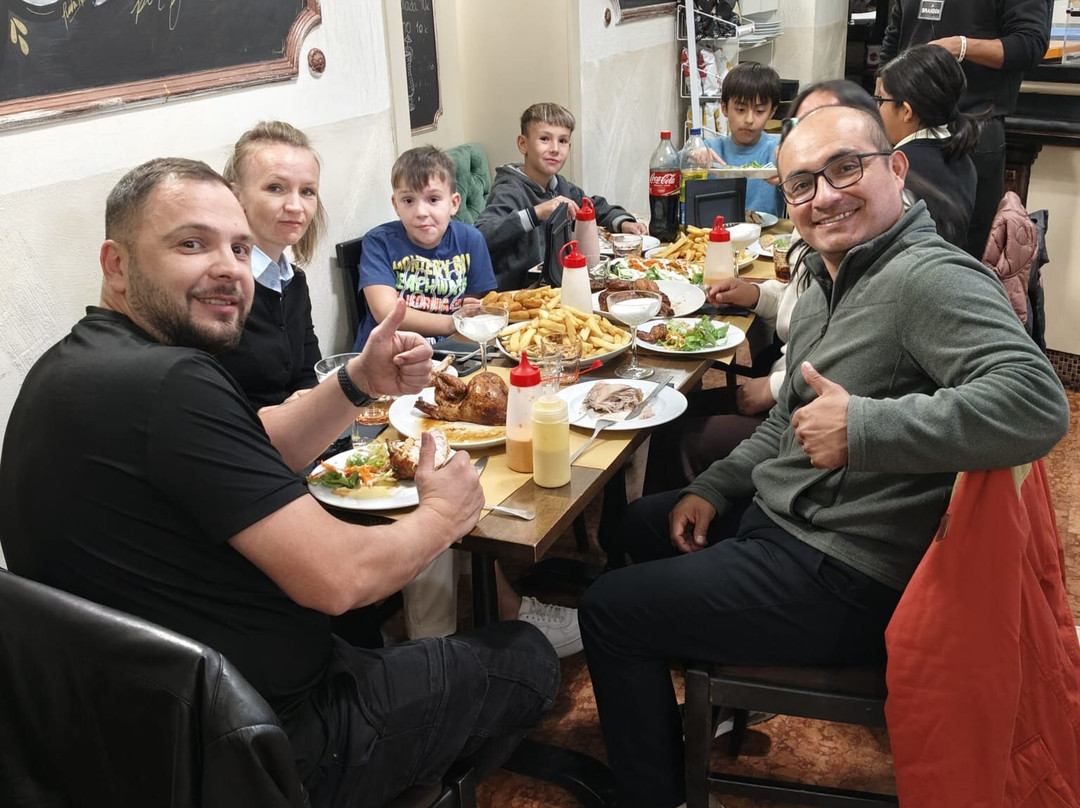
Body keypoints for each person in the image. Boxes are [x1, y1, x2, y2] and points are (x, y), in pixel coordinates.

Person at [0, 158, 560, 808]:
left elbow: (250, 443)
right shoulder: (172, 384)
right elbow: (340, 578)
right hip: (264, 748)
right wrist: (443, 516)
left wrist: (358, 382)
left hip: (130, 740)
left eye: (239, 248)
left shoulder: (73, 366)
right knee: (528, 657)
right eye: (192, 244)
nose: (229, 269)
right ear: (116, 265)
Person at [579, 105, 1069, 808]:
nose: (826, 196)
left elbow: (1037, 403)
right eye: (803, 183)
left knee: (610, 609)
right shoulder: (829, 275)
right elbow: (789, 417)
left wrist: (863, 427)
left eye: (846, 168)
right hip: (796, 519)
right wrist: (714, 488)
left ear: (896, 168)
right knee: (637, 525)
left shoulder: (929, 278)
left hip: (849, 568)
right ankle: (709, 693)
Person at [643, 80, 880, 495]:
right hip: (786, 387)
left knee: (677, 434)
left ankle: (677, 516)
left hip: (804, 419)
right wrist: (754, 295)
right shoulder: (813, 231)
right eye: (804, 126)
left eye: (843, 164)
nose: (824, 194)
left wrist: (772, 388)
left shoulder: (871, 249)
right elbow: (797, 300)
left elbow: (841, 355)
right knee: (665, 412)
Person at [881, 0, 1053, 256]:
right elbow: (895, 37)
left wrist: (962, 46)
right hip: (907, 122)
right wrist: (881, 95)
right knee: (893, 242)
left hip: (973, 126)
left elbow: (1029, 44)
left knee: (961, 252)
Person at [476, 102, 647, 290]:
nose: (555, 149)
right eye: (544, 139)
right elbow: (481, 235)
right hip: (517, 294)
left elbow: (592, 206)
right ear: (523, 144)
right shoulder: (509, 190)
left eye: (563, 141)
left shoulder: (560, 185)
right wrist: (536, 212)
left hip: (557, 286)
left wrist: (624, 223)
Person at [215, 121, 326, 409]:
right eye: (276, 188)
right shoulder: (217, 290)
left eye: (307, 191)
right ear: (236, 197)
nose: (296, 206)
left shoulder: (294, 282)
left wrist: (307, 401)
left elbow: (309, 372)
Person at [352, 145, 497, 351]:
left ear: (454, 203)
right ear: (396, 205)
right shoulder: (379, 242)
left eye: (433, 199)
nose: (421, 212)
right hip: (387, 353)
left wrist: (468, 314)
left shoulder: (470, 239)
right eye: (408, 200)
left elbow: (471, 306)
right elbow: (385, 312)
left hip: (450, 352)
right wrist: (453, 323)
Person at [876, 45, 980, 251]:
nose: (876, 109)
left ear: (906, 111)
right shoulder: (963, 158)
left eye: (881, 100)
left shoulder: (895, 168)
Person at [703, 61, 785, 218]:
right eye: (740, 109)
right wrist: (691, 156)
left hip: (768, 231)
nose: (749, 120)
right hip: (718, 230)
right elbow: (669, 165)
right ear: (724, 108)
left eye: (759, 111)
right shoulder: (711, 149)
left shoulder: (777, 150)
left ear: (772, 112)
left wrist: (790, 172)